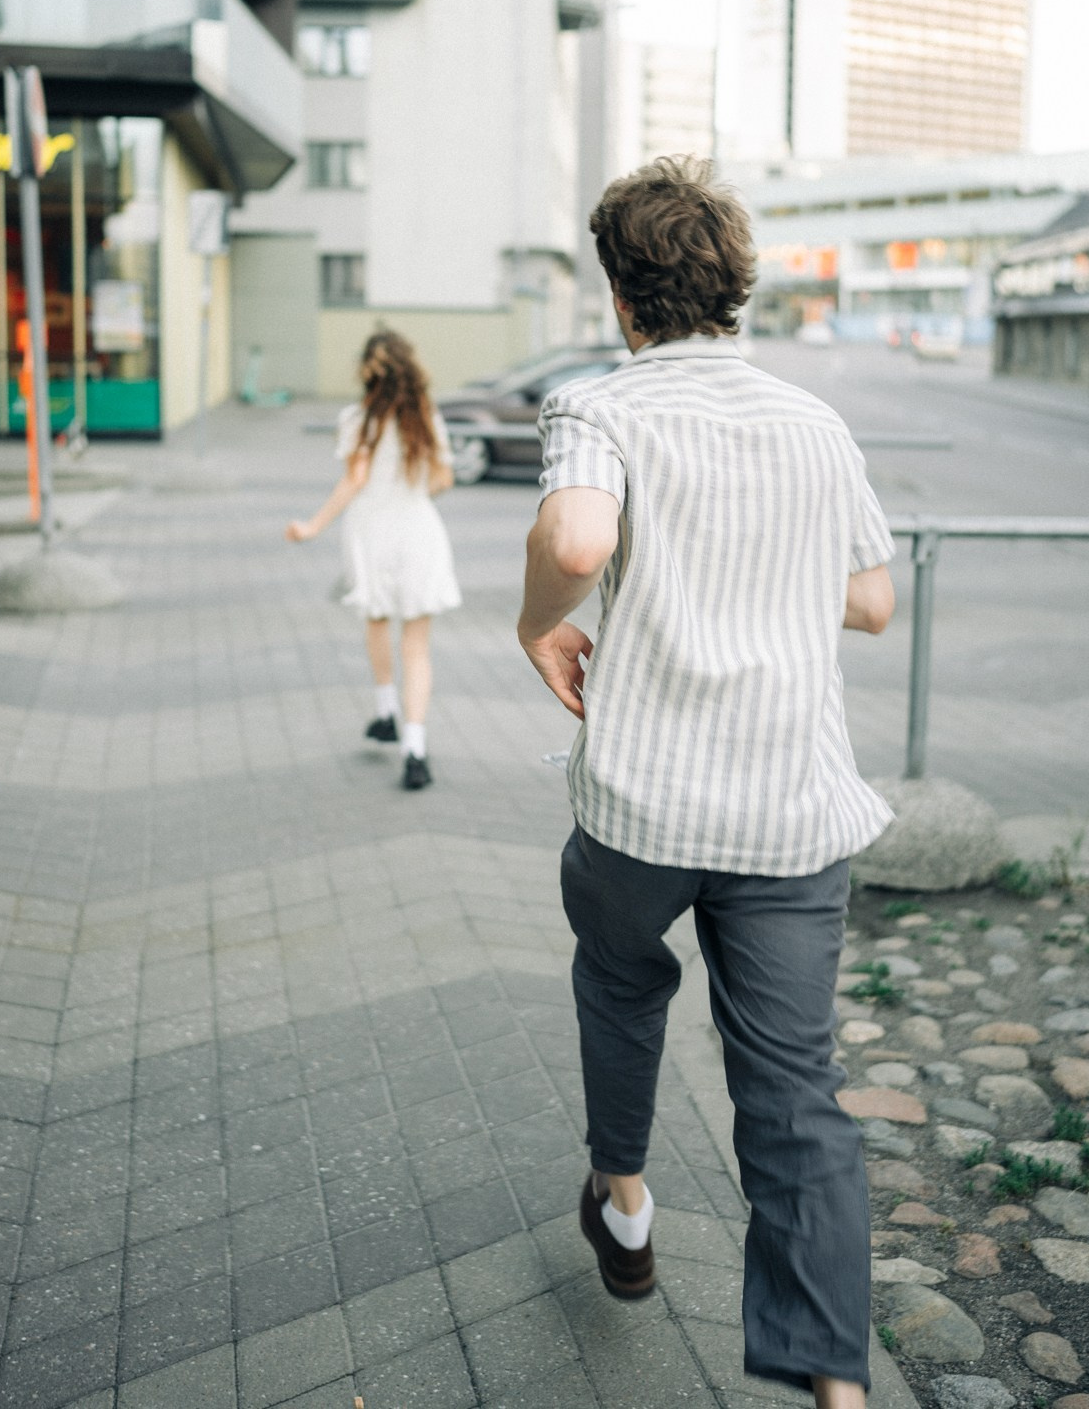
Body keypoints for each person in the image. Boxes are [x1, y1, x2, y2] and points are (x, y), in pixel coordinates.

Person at [517, 157, 895, 1409]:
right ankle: (837, 1388)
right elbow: (873, 602)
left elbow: (579, 539)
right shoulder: (816, 425)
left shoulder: (601, 407)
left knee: (622, 983)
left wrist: (537, 622)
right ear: (736, 290)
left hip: (645, 802)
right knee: (794, 1094)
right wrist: (766, 578)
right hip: (791, 809)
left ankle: (624, 1202)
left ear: (623, 297)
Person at [287, 330, 460, 789]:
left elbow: (353, 481)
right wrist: (412, 489)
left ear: (367, 370)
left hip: (371, 531)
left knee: (377, 619)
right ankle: (415, 748)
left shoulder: (358, 419)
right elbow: (443, 479)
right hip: (418, 528)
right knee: (417, 645)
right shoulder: (426, 417)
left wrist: (312, 526)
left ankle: (386, 712)